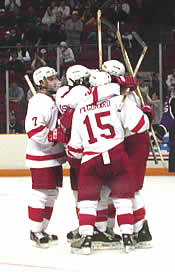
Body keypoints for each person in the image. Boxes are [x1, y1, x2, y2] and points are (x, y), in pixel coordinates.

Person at [66, 70, 153, 254]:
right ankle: (128, 238)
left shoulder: (80, 108)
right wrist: (146, 113)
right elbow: (140, 126)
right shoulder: (120, 101)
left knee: (88, 201)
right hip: (117, 156)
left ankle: (87, 239)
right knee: (123, 199)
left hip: (91, 160)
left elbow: (74, 148)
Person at [56, 65, 122, 249]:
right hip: (97, 149)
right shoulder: (83, 93)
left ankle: (90, 228)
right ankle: (101, 228)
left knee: (84, 194)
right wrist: (117, 83)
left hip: (79, 151)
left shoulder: (64, 93)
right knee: (103, 192)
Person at [102, 60, 153, 248]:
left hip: (132, 143)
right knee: (121, 188)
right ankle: (136, 228)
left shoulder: (125, 96)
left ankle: (140, 229)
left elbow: (136, 123)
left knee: (129, 189)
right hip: (132, 142)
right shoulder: (122, 94)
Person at [25, 66, 69, 248]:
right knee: (41, 193)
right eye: (50, 79)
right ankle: (35, 231)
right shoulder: (38, 102)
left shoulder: (52, 99)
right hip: (41, 155)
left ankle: (41, 229)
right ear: (41, 83)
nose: (55, 81)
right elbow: (33, 130)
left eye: (55, 78)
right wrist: (55, 136)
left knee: (52, 193)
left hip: (53, 155)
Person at [153, 86, 175, 172]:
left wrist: (159, 132)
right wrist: (159, 132)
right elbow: (167, 118)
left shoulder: (171, 101)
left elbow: (167, 118)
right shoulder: (172, 101)